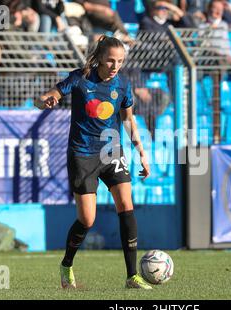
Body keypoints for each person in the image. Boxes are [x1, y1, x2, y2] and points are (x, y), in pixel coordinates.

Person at [35, 35, 153, 290]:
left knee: (126, 203)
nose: (115, 66)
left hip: (112, 152)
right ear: (99, 58)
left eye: (120, 61)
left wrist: (141, 151)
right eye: (111, 60)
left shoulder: (122, 84)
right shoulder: (79, 78)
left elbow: (128, 120)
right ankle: (66, 264)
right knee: (87, 220)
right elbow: (52, 93)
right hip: (82, 154)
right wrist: (43, 100)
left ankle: (132, 276)